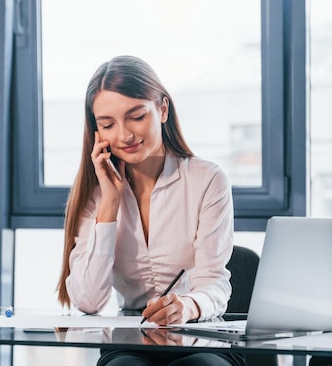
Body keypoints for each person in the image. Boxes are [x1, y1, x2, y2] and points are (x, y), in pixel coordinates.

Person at [56, 55, 245, 366]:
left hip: (203, 336)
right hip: (132, 341)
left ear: (163, 109)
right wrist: (110, 204)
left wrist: (188, 305)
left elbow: (214, 282)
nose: (124, 135)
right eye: (107, 124)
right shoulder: (97, 192)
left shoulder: (207, 180)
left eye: (136, 116)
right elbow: (88, 302)